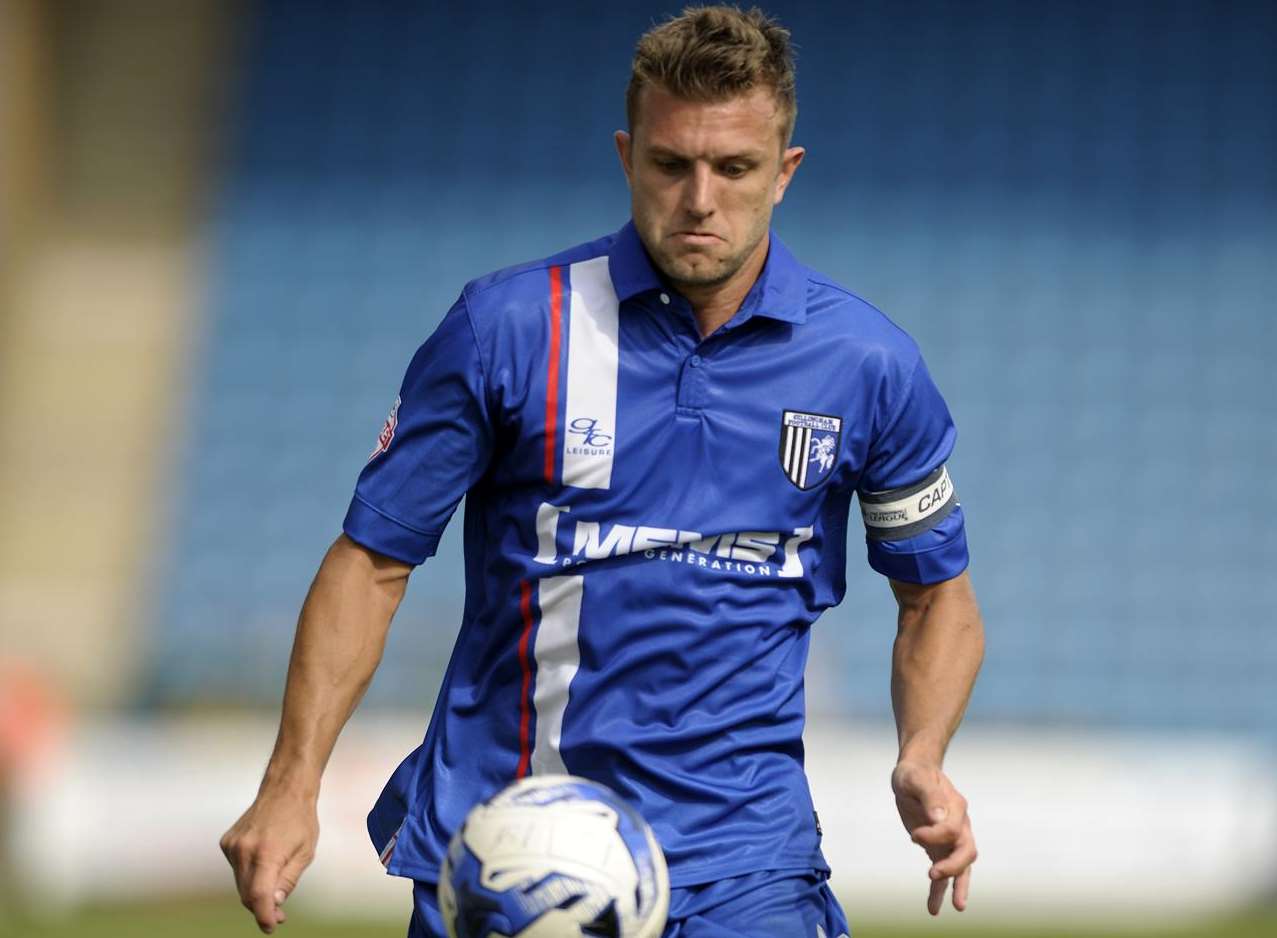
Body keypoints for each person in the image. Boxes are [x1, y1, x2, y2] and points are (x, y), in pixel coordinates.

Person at [220, 6, 984, 936]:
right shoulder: (507, 328)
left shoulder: (868, 364)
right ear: (627, 156)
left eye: (734, 168)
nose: (700, 198)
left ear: (784, 174)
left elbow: (935, 596)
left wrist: (922, 752)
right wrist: (289, 785)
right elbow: (372, 562)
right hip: (516, 845)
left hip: (742, 858)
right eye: (671, 164)